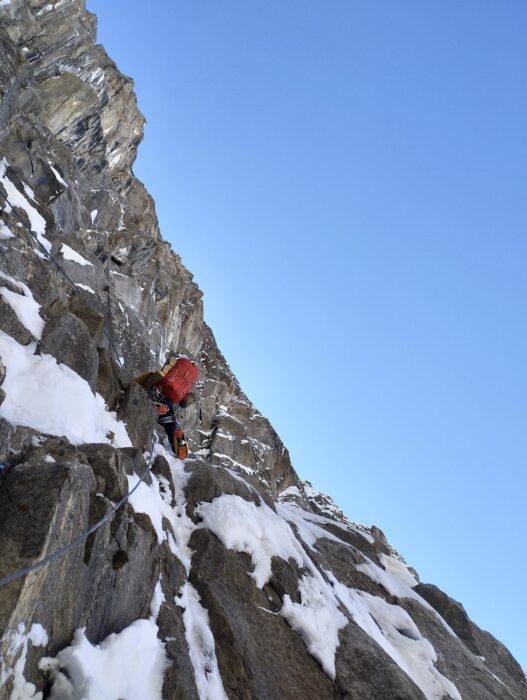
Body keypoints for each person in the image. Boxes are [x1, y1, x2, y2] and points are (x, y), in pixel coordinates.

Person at [135, 356, 199, 459]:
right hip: (169, 403)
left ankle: (156, 407)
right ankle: (178, 445)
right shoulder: (189, 380)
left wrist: (135, 384)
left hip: (156, 392)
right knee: (171, 423)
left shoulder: (177, 363)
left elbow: (149, 378)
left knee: (152, 397)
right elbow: (182, 402)